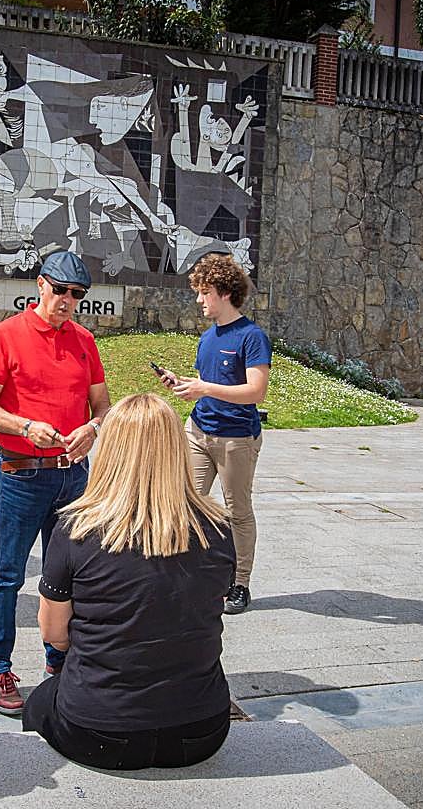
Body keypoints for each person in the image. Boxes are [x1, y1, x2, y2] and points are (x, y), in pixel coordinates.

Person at [22, 393, 236, 770]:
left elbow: (53, 633)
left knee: (40, 702)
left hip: (99, 731)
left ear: (111, 451)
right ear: (177, 449)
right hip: (201, 729)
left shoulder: (76, 530)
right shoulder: (217, 529)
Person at [0, 250, 111, 716]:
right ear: (40, 285)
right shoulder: (5, 335)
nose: (67, 301)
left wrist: (91, 430)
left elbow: (103, 407)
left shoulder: (84, 340)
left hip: (71, 475)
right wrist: (23, 425)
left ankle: (62, 661)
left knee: (70, 576)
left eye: (77, 295)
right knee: (6, 574)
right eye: (61, 291)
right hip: (20, 472)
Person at [158, 252, 269, 614]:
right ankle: (181, 575)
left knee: (237, 511)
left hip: (237, 439)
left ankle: (240, 584)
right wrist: (185, 385)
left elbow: (256, 392)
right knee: (185, 501)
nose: (199, 299)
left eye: (204, 292)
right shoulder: (207, 339)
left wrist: (204, 388)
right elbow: (208, 384)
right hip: (199, 431)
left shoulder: (252, 337)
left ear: (223, 292)